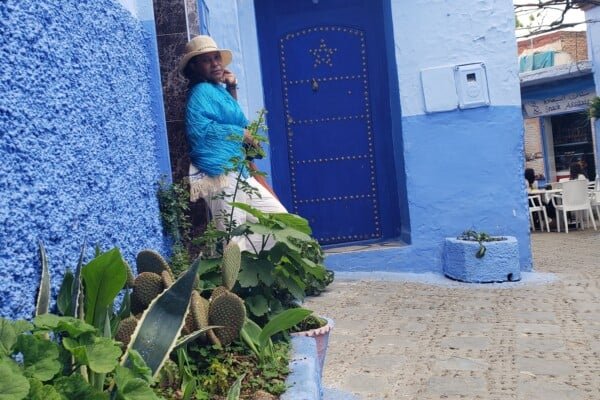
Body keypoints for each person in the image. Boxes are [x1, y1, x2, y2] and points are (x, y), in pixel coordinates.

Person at [179, 35, 287, 252]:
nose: (216, 63)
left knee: (280, 223)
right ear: (194, 67)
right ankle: (234, 279)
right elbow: (199, 132)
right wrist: (241, 134)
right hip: (217, 173)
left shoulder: (218, 90)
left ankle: (240, 262)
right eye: (207, 60)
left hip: (238, 171)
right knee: (232, 235)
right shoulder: (199, 93)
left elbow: (233, 119)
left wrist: (232, 88)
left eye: (217, 58)